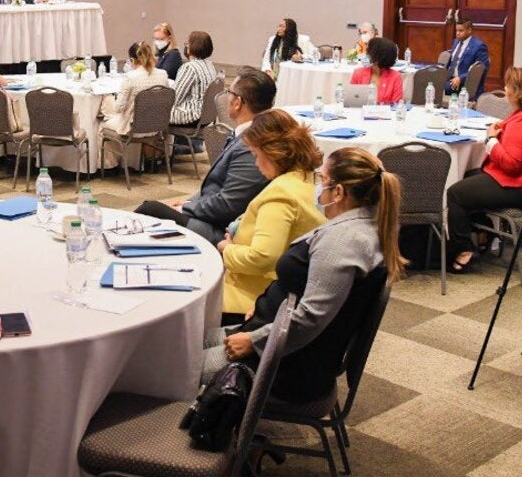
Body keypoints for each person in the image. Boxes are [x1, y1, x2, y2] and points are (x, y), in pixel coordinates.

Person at [209, 148, 405, 402]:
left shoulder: (343, 241)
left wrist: (254, 340)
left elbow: (312, 317)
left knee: (178, 367)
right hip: (274, 335)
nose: (317, 187)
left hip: (281, 364)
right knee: (185, 343)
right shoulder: (361, 224)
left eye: (322, 179)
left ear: (338, 192)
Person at [135, 67, 273, 242]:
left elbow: (229, 205)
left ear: (238, 102)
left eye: (229, 93)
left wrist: (187, 209)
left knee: (149, 210)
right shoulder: (247, 133)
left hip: (221, 230)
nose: (227, 97)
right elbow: (216, 187)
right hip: (210, 213)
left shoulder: (251, 146)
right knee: (152, 211)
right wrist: (189, 203)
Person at [218, 109, 326, 321]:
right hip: (285, 292)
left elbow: (261, 258)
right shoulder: (310, 179)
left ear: (272, 152)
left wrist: (226, 249)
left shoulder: (281, 194)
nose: (256, 163)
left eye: (256, 155)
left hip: (248, 299)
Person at [445, 68, 522, 274]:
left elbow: (511, 165)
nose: (506, 89)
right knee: (469, 176)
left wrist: (491, 140)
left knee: (455, 193)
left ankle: (463, 250)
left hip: (520, 187)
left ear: (520, 92)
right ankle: (485, 233)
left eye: (509, 86)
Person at [100, 41, 171, 157]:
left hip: (132, 130)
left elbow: (118, 108)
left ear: (132, 60)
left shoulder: (130, 77)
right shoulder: (163, 74)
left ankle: (110, 164)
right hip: (156, 128)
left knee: (101, 125)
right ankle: (135, 161)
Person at [170, 31, 219, 125]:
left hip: (193, 115)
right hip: (206, 115)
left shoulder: (189, 68)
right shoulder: (210, 65)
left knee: (155, 111)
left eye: (188, 43)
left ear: (193, 46)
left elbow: (174, 98)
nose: (186, 45)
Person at [347, 37, 404, 104]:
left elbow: (396, 105)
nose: (366, 54)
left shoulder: (396, 76)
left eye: (368, 52)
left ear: (379, 56)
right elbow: (352, 101)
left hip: (386, 111)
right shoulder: (358, 73)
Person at [445, 16, 491, 95]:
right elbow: (452, 63)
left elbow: (481, 69)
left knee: (436, 88)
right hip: (450, 79)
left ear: (469, 30)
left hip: (464, 84)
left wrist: (461, 78)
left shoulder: (479, 46)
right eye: (456, 30)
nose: (457, 33)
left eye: (461, 30)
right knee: (429, 81)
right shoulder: (456, 42)